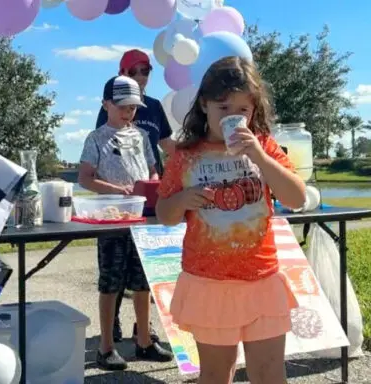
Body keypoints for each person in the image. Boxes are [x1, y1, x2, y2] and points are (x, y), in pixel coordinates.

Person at [156, 56, 306, 384]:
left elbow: (296, 198)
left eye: (243, 110)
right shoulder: (186, 155)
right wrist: (182, 200)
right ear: (205, 106)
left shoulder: (264, 146)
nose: (233, 117)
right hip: (209, 284)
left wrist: (260, 157)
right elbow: (164, 215)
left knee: (269, 375)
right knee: (215, 375)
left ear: (254, 111)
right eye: (223, 108)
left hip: (261, 281)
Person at [79, 75, 173, 371]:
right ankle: (106, 347)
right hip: (111, 220)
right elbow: (85, 178)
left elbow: (153, 171)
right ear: (106, 104)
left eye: (133, 107)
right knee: (111, 281)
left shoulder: (142, 137)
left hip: (141, 217)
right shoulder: (96, 138)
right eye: (122, 106)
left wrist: (152, 186)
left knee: (142, 282)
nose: (128, 113)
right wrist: (119, 191)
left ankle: (144, 339)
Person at [96, 49, 175, 343]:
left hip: (149, 203)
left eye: (146, 71)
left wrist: (197, 160)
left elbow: (167, 148)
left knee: (144, 271)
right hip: (115, 208)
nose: (141, 77)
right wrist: (116, 189)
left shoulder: (153, 107)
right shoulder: (107, 114)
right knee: (114, 269)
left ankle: (144, 332)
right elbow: (98, 158)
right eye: (134, 71)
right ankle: (110, 328)